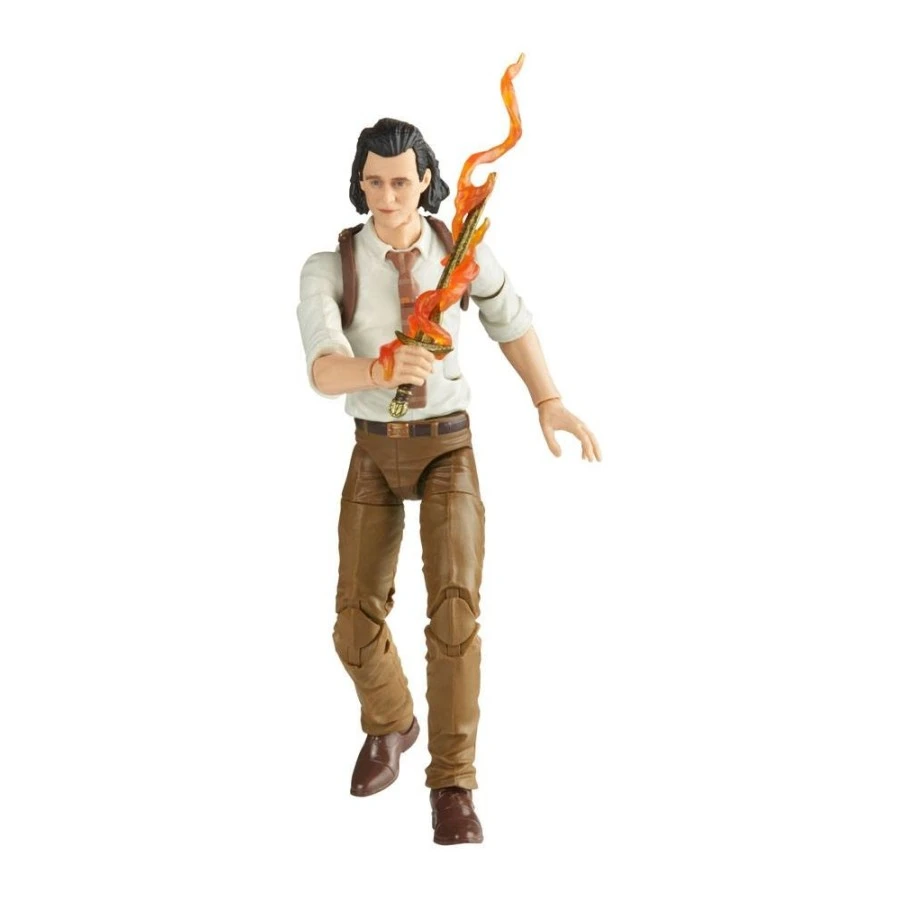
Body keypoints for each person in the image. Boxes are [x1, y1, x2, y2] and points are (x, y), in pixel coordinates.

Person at [297, 117, 601, 845]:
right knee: (353, 624)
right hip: (374, 446)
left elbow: (509, 319)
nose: (387, 196)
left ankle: (453, 783)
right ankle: (392, 721)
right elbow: (322, 366)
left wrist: (549, 399)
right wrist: (377, 369)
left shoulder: (459, 250)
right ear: (359, 183)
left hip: (446, 447)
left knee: (456, 615)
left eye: (401, 181)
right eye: (374, 182)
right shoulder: (331, 265)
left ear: (426, 180)